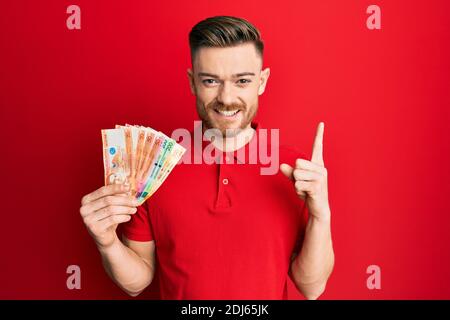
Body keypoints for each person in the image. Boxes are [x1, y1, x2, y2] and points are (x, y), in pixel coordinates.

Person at [79, 16, 334, 299]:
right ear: (192, 82)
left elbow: (311, 288)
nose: (226, 97)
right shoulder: (155, 166)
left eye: (242, 81)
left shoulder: (296, 171)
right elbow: (137, 281)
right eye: (211, 80)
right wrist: (107, 244)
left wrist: (321, 215)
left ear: (261, 82)